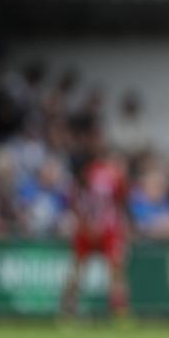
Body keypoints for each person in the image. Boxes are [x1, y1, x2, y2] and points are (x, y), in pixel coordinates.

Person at [60, 131, 130, 319]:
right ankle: (68, 306)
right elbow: (78, 200)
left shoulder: (114, 177)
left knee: (114, 267)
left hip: (106, 228)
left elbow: (119, 204)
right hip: (91, 227)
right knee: (80, 268)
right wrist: (85, 223)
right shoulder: (92, 173)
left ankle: (118, 310)